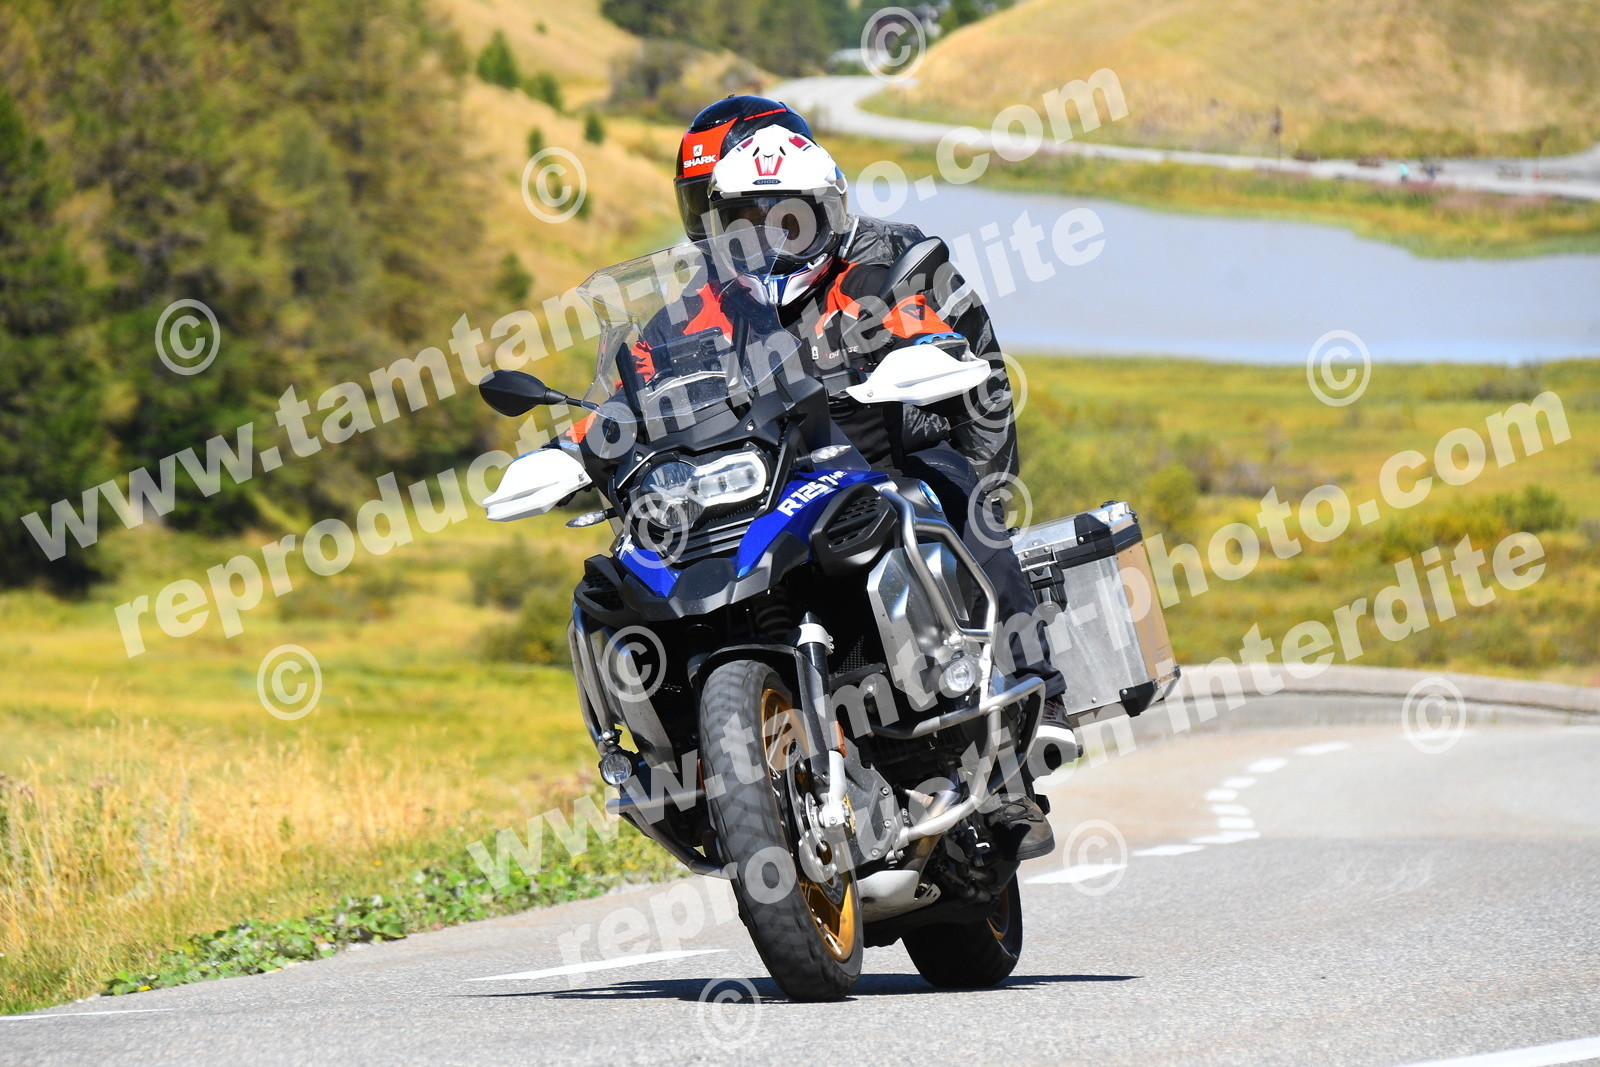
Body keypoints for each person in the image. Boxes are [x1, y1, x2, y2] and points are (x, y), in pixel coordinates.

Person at [698, 123, 1063, 860]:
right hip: (765, 500)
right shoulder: (706, 305)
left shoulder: (874, 277)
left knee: (961, 502)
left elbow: (931, 330)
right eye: (747, 224)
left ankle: (1029, 707)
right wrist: (584, 435)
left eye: (789, 222)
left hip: (878, 468)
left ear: (826, 215)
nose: (771, 242)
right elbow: (640, 373)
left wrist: (927, 353)